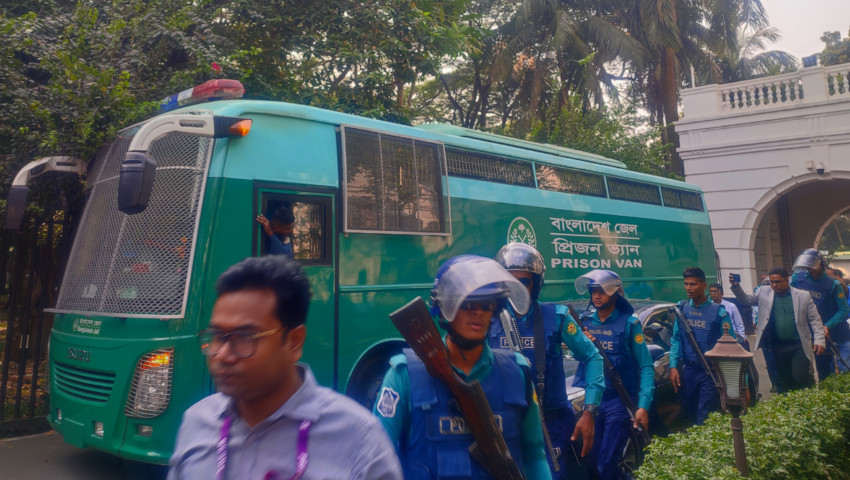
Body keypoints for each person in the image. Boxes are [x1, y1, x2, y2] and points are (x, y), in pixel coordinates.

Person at [168, 256, 402, 479]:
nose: (223, 354)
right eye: (218, 336)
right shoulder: (196, 423)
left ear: (294, 341)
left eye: (245, 336)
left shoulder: (359, 439)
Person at [374, 255, 552, 479]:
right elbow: (377, 459)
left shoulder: (517, 373)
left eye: (487, 305)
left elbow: (535, 456)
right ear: (445, 307)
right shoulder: (403, 376)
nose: (479, 312)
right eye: (468, 304)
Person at [488, 243, 604, 479]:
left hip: (552, 423)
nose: (517, 290)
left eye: (524, 282)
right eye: (509, 282)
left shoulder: (557, 317)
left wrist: (589, 410)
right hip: (501, 424)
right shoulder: (486, 318)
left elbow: (592, 357)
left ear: (536, 284)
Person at [573, 270, 654, 480]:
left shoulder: (630, 324)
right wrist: (584, 344)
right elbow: (578, 356)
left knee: (606, 465)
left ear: (615, 293)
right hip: (593, 402)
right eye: (593, 292)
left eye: (601, 291)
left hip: (619, 401)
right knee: (589, 462)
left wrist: (643, 405)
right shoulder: (585, 322)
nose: (596, 296)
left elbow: (645, 366)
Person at [730, 267, 826, 392]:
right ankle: (787, 406)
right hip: (777, 346)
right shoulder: (763, 291)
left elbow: (815, 319)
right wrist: (736, 286)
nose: (774, 285)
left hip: (799, 345)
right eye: (772, 282)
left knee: (800, 377)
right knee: (783, 380)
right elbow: (746, 301)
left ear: (787, 280)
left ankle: (805, 403)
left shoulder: (802, 296)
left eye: (778, 282)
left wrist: (819, 340)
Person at [669, 267, 735, 425]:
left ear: (704, 286)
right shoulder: (682, 310)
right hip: (689, 371)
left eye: (693, 284)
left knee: (704, 415)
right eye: (686, 284)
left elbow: (732, 347)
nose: (688, 288)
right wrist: (673, 366)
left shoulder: (719, 313)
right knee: (689, 411)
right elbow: (676, 339)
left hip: (710, 372)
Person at [790, 249, 850, 378]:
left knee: (837, 369)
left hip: (831, 333)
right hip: (809, 332)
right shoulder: (797, 279)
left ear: (820, 264)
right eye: (806, 267)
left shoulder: (833, 284)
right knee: (814, 370)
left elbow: (844, 310)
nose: (809, 270)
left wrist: (828, 325)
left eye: (812, 267)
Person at [708, 283, 749, 350]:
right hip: (716, 337)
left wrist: (742, 338)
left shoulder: (731, 306)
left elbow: (739, 324)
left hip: (732, 337)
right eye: (711, 291)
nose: (713, 294)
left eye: (715, 291)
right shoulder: (709, 307)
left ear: (722, 293)